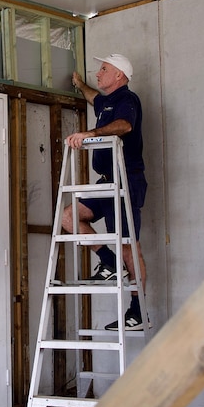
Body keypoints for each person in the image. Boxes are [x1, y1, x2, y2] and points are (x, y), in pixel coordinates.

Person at [63, 54, 148, 330]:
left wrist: (90, 134)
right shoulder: (106, 101)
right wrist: (79, 84)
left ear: (119, 76)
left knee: (128, 246)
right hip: (105, 182)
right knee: (68, 218)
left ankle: (137, 311)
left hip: (125, 181)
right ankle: (109, 262)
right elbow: (93, 97)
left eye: (103, 70)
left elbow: (124, 126)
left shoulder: (127, 100)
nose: (98, 74)